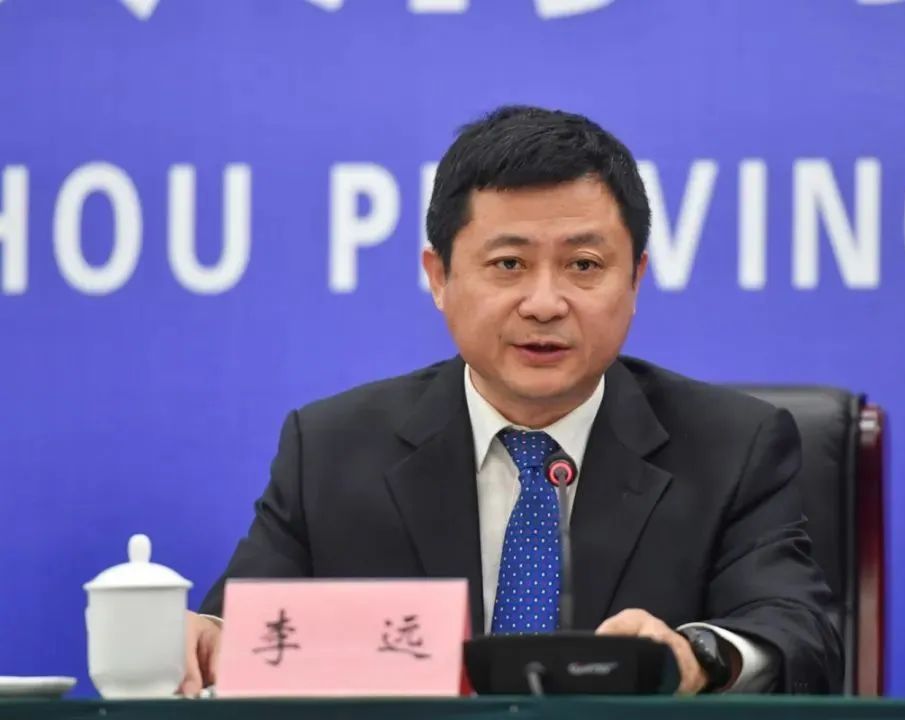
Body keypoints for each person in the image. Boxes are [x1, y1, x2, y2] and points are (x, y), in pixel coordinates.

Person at [179, 105, 843, 697]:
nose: (545, 303)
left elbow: (797, 632)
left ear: (635, 278)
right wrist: (204, 638)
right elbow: (239, 629)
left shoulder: (733, 447)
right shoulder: (330, 449)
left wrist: (697, 658)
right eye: (508, 265)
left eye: (584, 265)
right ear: (439, 277)